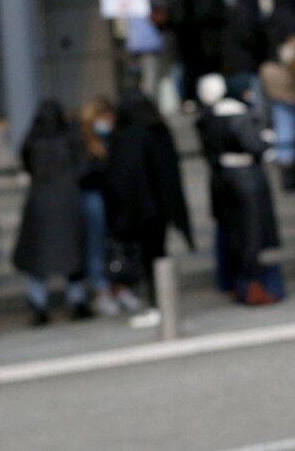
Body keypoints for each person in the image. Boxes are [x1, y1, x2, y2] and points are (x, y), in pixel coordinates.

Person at [106, 90, 194, 327]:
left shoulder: (126, 136)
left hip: (139, 210)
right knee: (158, 254)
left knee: (148, 258)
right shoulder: (159, 131)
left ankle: (158, 304)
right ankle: (162, 304)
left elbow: (120, 178)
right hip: (160, 208)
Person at [195, 74, 282, 305]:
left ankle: (236, 283)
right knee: (251, 232)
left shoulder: (209, 117)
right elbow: (254, 145)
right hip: (245, 178)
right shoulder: (238, 115)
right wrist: (266, 140)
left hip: (222, 178)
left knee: (233, 233)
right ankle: (252, 286)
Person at [13, 99, 91, 326]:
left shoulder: (33, 138)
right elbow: (83, 167)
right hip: (68, 201)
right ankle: (77, 302)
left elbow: (25, 162)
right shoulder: (70, 136)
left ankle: (38, 305)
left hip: (40, 202)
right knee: (72, 255)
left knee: (37, 259)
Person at [80, 96, 139, 316]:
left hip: (113, 197)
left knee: (116, 244)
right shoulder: (85, 141)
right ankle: (101, 288)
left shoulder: (114, 139)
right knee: (97, 245)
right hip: (93, 197)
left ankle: (119, 285)